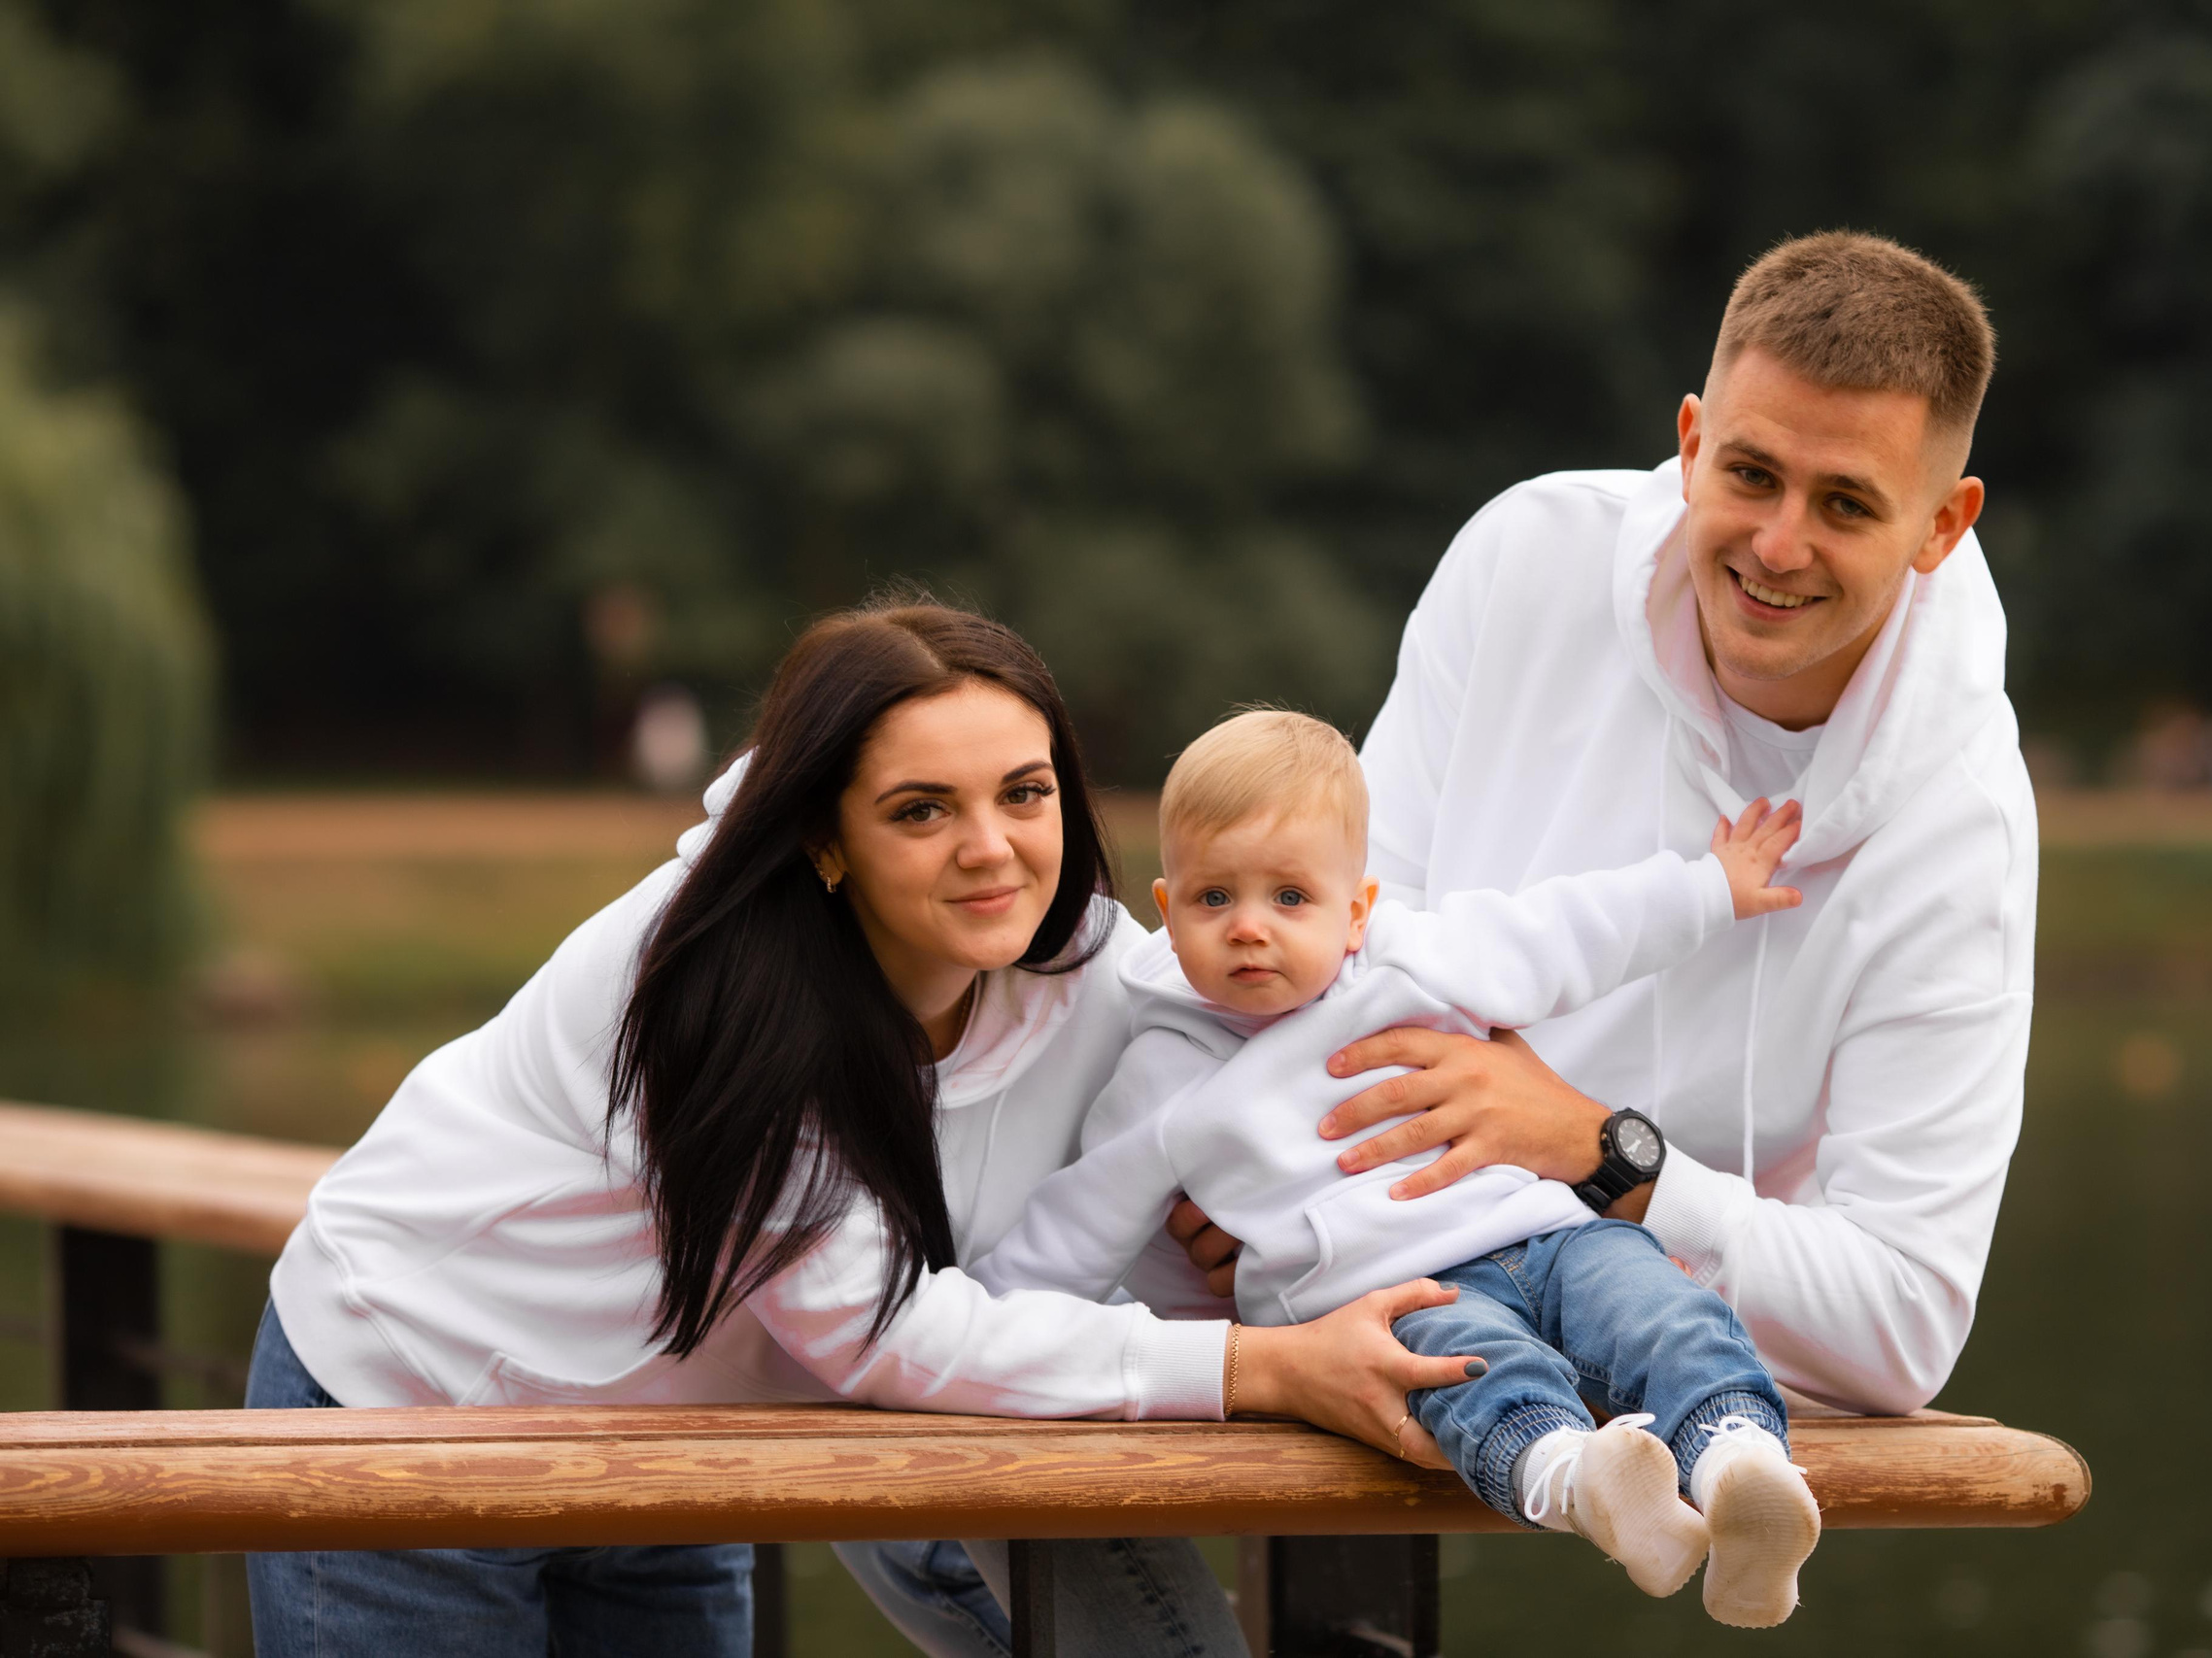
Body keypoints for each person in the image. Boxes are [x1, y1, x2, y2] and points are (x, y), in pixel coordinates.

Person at [243, 599, 1480, 1658]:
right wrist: (1261, 1366)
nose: (991, 847)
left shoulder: (1095, 968)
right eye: (922, 810)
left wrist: (1240, 1236)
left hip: (658, 1444)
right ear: (827, 834)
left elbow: (1271, 1082)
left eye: (1025, 792)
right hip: (409, 1411)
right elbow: (871, 1328)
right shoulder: (702, 983)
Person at [1168, 230, 2036, 1421]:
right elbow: (1346, 929)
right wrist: (1240, 1182)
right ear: (1687, 443)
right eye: (1749, 475)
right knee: (947, 1424)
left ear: (1943, 526)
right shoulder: (1526, 556)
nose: (1778, 546)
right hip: (1355, 1250)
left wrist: (1601, 1154)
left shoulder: (1960, 821)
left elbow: (1901, 1326)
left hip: (1662, 1357)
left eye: (1844, 503)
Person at [972, 711, 1823, 1627]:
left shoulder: (1416, 960)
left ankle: (1742, 1467)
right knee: (1469, 1376)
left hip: (1545, 1231)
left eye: (1290, 897)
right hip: (1390, 1295)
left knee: (1663, 1307)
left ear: (1357, 909)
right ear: (1168, 909)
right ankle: (1577, 1481)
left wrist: (1709, 889)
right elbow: (1076, 1226)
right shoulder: (1159, 1077)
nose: (1251, 927)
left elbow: (1568, 930)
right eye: (1215, 898)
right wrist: (974, 1328)